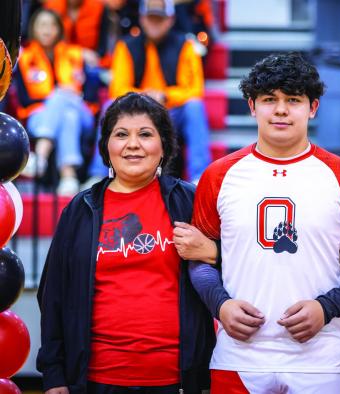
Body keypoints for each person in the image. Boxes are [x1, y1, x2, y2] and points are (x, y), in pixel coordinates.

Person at [184, 52, 340, 394]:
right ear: (252, 106)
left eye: (293, 100)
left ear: (312, 107)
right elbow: (198, 257)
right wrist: (220, 304)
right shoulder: (218, 176)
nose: (281, 110)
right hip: (239, 357)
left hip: (320, 360)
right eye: (270, 100)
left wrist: (327, 307)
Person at [37, 92, 216, 394]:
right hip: (96, 379)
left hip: (177, 380)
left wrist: (213, 251)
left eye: (145, 134)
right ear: (107, 147)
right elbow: (53, 293)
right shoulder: (81, 209)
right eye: (121, 134)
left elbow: (240, 266)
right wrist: (54, 375)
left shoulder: (189, 201)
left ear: (163, 146)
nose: (133, 144)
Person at [88, 0, 211, 184]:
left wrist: (165, 95)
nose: (154, 23)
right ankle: (98, 174)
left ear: (170, 19)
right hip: (136, 111)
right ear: (142, 18)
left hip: (171, 110)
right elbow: (118, 87)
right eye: (150, 18)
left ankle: (199, 177)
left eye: (159, 19)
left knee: (194, 107)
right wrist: (145, 96)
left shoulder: (185, 45)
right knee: (109, 106)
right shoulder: (126, 45)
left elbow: (195, 90)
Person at [15, 8, 98, 195]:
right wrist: (55, 97)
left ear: (60, 29)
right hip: (38, 115)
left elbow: (92, 96)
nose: (47, 29)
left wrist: (70, 97)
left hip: (82, 111)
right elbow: (24, 100)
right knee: (68, 115)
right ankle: (68, 177)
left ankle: (40, 156)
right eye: (42, 25)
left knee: (64, 99)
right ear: (33, 28)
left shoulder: (76, 55)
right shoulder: (25, 58)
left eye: (52, 25)